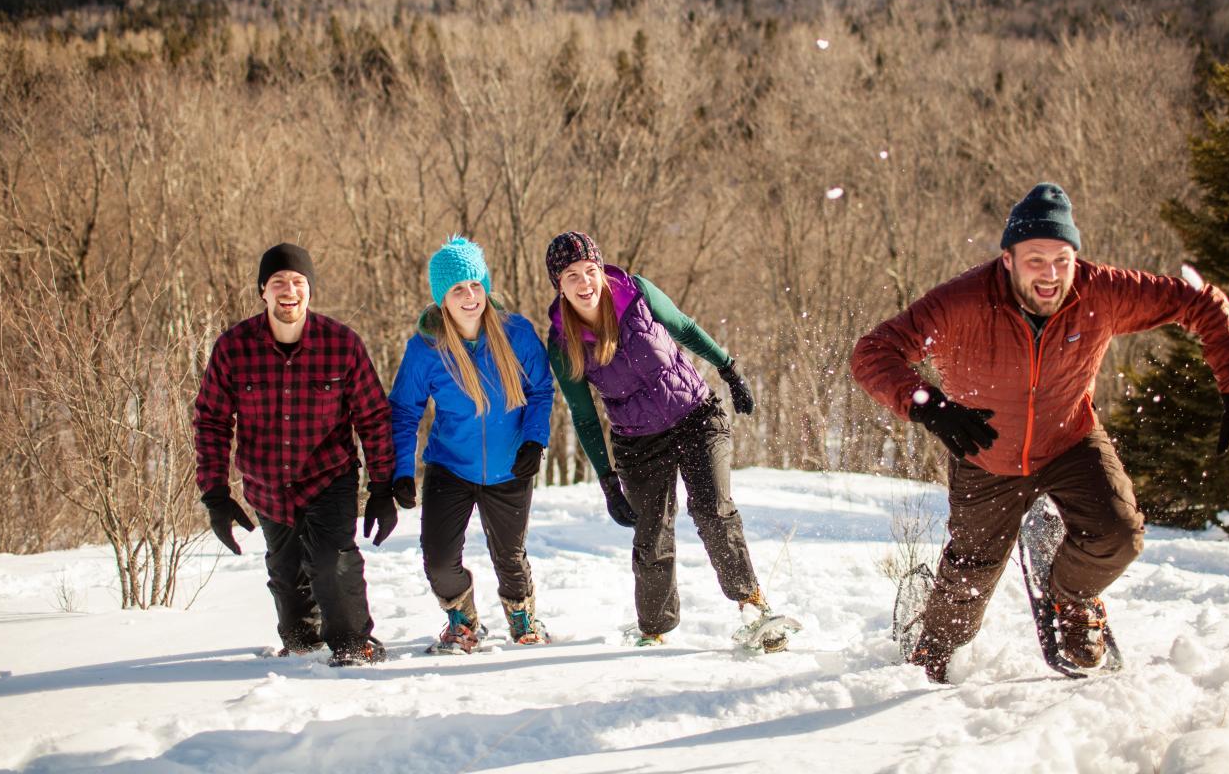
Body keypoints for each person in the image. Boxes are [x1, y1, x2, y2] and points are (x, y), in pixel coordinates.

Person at [851, 183, 1229, 682]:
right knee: (970, 574)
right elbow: (873, 351)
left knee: (1120, 535)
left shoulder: (1101, 291)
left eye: (1062, 259)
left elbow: (1205, 304)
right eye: (1036, 259)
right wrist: (928, 404)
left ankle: (1071, 598)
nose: (1051, 273)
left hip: (1070, 439)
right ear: (1009, 259)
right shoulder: (962, 301)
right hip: (985, 452)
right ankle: (932, 649)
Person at [543, 231, 790, 650]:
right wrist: (607, 481)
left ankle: (753, 607)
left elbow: (686, 330)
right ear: (559, 285)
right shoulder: (562, 342)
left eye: (590, 270)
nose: (584, 283)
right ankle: (653, 630)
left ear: (601, 270)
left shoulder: (637, 293)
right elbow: (584, 417)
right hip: (638, 442)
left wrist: (728, 370)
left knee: (713, 511)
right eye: (571, 276)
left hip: (696, 415)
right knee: (651, 535)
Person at [193, 243, 398, 667]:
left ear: (310, 290)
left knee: (330, 561)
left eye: (298, 282)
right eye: (278, 282)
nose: (289, 290)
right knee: (287, 579)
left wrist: (382, 487)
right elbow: (212, 420)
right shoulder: (234, 348)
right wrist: (214, 493)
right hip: (267, 485)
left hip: (329, 476)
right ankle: (302, 646)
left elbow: (374, 418)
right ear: (263, 292)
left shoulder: (342, 344)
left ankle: (353, 644)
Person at [389, 237, 555, 654]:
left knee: (510, 557)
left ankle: (522, 614)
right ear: (441, 298)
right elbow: (405, 413)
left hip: (510, 464)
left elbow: (541, 391)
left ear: (485, 286)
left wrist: (534, 440)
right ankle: (462, 619)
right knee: (439, 560)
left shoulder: (516, 333)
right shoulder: (425, 349)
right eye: (458, 289)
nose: (469, 296)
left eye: (475, 285)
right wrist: (401, 471)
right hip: (450, 467)